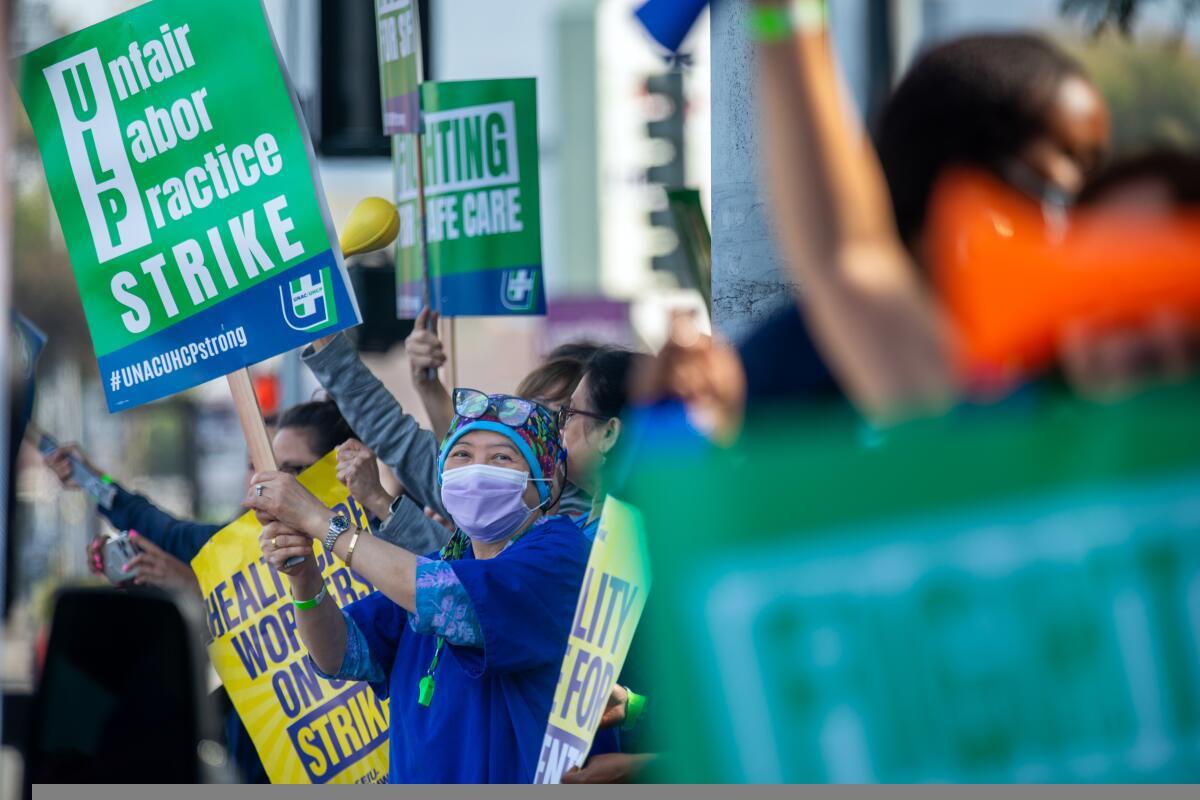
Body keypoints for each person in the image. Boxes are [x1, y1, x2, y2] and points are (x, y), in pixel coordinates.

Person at [738, 25, 1113, 412]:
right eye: (1056, 193)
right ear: (948, 188)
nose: (1077, 230)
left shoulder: (1078, 371)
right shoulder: (785, 368)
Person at [246, 394, 599, 783]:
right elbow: (339, 654)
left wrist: (318, 520)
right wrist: (304, 576)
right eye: (461, 454)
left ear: (545, 481)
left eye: (502, 457)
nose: (476, 470)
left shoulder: (560, 555)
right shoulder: (439, 563)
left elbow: (450, 600)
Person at [301, 319, 600, 539]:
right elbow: (395, 436)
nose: (530, 428)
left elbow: (460, 588)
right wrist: (319, 325)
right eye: (523, 408)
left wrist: (378, 502)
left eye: (559, 414)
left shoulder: (580, 537)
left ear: (609, 432)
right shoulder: (506, 495)